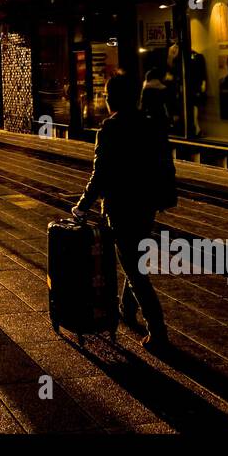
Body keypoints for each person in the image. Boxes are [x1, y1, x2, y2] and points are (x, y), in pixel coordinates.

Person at [72, 71, 172, 351]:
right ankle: (126, 309)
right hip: (147, 204)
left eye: (106, 96)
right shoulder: (149, 124)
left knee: (134, 268)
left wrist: (82, 205)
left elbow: (101, 173)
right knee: (135, 257)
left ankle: (158, 330)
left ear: (113, 99)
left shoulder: (110, 129)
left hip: (121, 207)